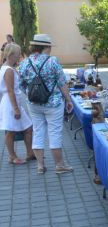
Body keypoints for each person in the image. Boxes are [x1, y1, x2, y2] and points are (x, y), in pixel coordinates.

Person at [19, 34, 74, 174]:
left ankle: (40, 166)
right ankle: (60, 165)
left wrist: (31, 94)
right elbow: (62, 83)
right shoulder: (52, 61)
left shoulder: (25, 62)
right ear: (46, 47)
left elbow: (21, 84)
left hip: (33, 104)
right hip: (53, 103)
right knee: (54, 133)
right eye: (49, 46)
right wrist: (68, 100)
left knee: (38, 132)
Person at [0, 43, 34, 164]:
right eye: (18, 54)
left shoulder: (8, 67)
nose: (19, 56)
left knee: (28, 127)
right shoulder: (8, 69)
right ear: (11, 55)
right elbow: (10, 90)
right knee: (11, 131)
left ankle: (30, 152)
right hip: (10, 104)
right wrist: (16, 109)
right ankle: (12, 156)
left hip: (13, 102)